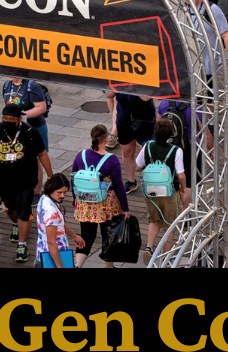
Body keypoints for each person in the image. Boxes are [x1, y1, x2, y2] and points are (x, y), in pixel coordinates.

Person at [0, 103, 52, 263]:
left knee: (24, 211)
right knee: (10, 210)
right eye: (4, 118)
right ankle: (17, 224)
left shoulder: (30, 133)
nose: (7, 121)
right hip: (3, 181)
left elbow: (42, 154)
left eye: (11, 119)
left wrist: (50, 176)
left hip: (26, 181)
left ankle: (22, 245)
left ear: (19, 119)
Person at [71, 125, 130, 268]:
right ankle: (109, 266)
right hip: (106, 204)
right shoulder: (111, 159)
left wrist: (75, 200)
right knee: (108, 235)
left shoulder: (81, 155)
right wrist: (125, 208)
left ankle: (77, 265)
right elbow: (119, 186)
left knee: (86, 236)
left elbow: (73, 178)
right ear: (106, 138)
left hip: (85, 202)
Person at [137, 118, 188, 265]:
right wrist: (183, 187)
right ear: (172, 133)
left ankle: (149, 248)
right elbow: (180, 175)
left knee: (154, 220)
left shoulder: (147, 146)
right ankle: (166, 258)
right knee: (170, 224)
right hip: (169, 192)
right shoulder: (175, 150)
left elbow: (137, 166)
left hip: (151, 191)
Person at [107, 90, 157, 193]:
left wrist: (132, 85)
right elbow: (109, 94)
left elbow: (146, 97)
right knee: (127, 151)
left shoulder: (140, 78)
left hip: (143, 120)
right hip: (123, 120)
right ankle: (131, 182)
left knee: (144, 151)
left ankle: (150, 181)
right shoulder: (120, 80)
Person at [36, 174, 81, 268]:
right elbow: (51, 242)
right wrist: (60, 266)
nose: (62, 196)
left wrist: (74, 236)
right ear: (51, 190)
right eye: (59, 192)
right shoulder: (51, 211)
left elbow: (60, 223)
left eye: (65, 192)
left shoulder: (44, 198)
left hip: (42, 253)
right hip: (53, 258)